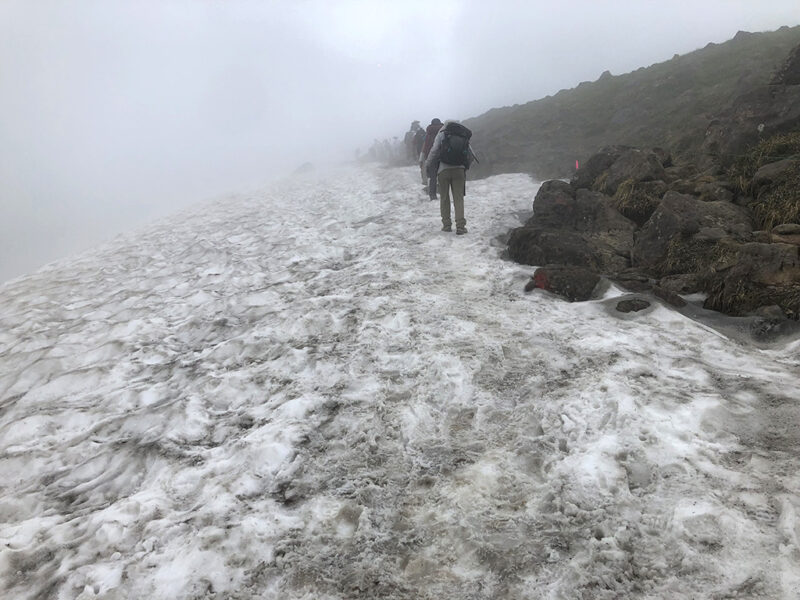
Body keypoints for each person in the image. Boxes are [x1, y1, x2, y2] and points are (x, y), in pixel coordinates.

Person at [425, 120, 475, 234]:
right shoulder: (462, 134)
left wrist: (428, 164)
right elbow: (471, 154)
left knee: (444, 198)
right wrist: (465, 166)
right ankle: (460, 226)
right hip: (459, 170)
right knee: (458, 198)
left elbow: (434, 150)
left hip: (443, 170)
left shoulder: (442, 133)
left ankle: (447, 225)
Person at [420, 118, 443, 196]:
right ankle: (442, 191)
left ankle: (432, 195)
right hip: (443, 157)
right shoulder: (444, 132)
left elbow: (425, 146)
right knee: (442, 175)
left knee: (433, 177)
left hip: (431, 157)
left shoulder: (428, 134)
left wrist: (422, 158)